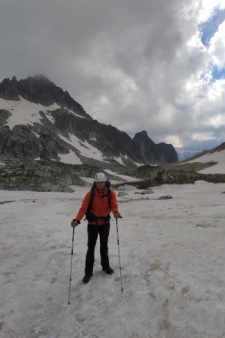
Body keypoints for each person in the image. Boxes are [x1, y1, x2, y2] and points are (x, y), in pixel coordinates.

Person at [71, 172, 121, 284]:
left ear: (105, 182)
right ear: (95, 182)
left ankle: (105, 266)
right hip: (93, 225)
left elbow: (114, 205)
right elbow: (83, 208)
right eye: (98, 182)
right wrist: (77, 220)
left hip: (105, 223)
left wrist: (116, 212)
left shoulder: (110, 193)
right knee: (91, 248)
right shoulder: (90, 194)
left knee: (104, 246)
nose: (100, 184)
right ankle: (88, 272)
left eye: (102, 182)